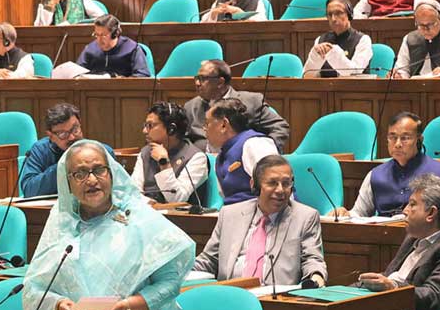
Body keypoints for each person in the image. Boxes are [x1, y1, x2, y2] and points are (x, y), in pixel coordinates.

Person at [23, 140, 194, 310]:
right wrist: (58, 304)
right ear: (68, 182)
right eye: (80, 173)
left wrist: (125, 306)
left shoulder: (140, 219)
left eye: (98, 170)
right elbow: (34, 286)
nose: (91, 180)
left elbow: (170, 284)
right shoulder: (61, 222)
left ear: (112, 173)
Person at [194, 154, 327, 286]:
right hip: (230, 296)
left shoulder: (305, 217)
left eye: (286, 183)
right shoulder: (230, 214)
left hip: (276, 301)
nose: (280, 190)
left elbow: (312, 259)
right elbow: (209, 260)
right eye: (272, 183)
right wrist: (179, 272)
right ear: (255, 185)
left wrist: (316, 277)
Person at [358, 175, 440, 310]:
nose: (404, 211)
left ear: (431, 213)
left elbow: (434, 295)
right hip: (390, 305)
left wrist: (392, 288)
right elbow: (391, 275)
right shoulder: (414, 236)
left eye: (412, 204)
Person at [334, 112, 440, 218]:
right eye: (392, 137)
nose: (397, 144)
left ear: (419, 140)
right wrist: (346, 214)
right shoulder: (375, 175)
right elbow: (359, 213)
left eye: (405, 138)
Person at [184, 60, 290, 152]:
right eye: (196, 78)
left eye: (203, 79)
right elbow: (183, 140)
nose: (197, 83)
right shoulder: (191, 106)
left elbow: (280, 127)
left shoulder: (251, 102)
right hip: (202, 164)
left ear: (220, 82)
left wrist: (262, 151)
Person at [21, 103, 114, 197]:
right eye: (63, 134)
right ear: (51, 136)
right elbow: (29, 190)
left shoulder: (102, 151)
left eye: (75, 129)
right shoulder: (40, 150)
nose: (72, 137)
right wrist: (65, 164)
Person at [131, 102, 208, 204]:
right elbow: (132, 192)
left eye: (150, 125)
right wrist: (150, 203)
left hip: (179, 218)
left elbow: (177, 198)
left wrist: (164, 164)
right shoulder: (145, 153)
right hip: (146, 214)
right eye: (145, 125)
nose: (144, 131)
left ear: (171, 129)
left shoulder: (196, 157)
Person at [206, 98, 279, 204]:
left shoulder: (255, 144)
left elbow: (277, 187)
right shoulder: (221, 157)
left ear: (224, 125)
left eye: (207, 123)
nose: (204, 129)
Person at [303, 0, 373, 78]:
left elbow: (354, 73)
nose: (333, 19)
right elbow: (307, 75)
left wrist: (333, 52)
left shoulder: (363, 40)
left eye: (338, 13)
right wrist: (315, 55)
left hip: (355, 89)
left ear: (349, 15)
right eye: (329, 14)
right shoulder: (320, 40)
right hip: (324, 89)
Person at [74, 15, 150, 77]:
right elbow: (77, 73)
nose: (99, 40)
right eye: (96, 35)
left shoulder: (132, 48)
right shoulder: (90, 49)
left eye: (103, 35)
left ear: (115, 34)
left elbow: (143, 75)